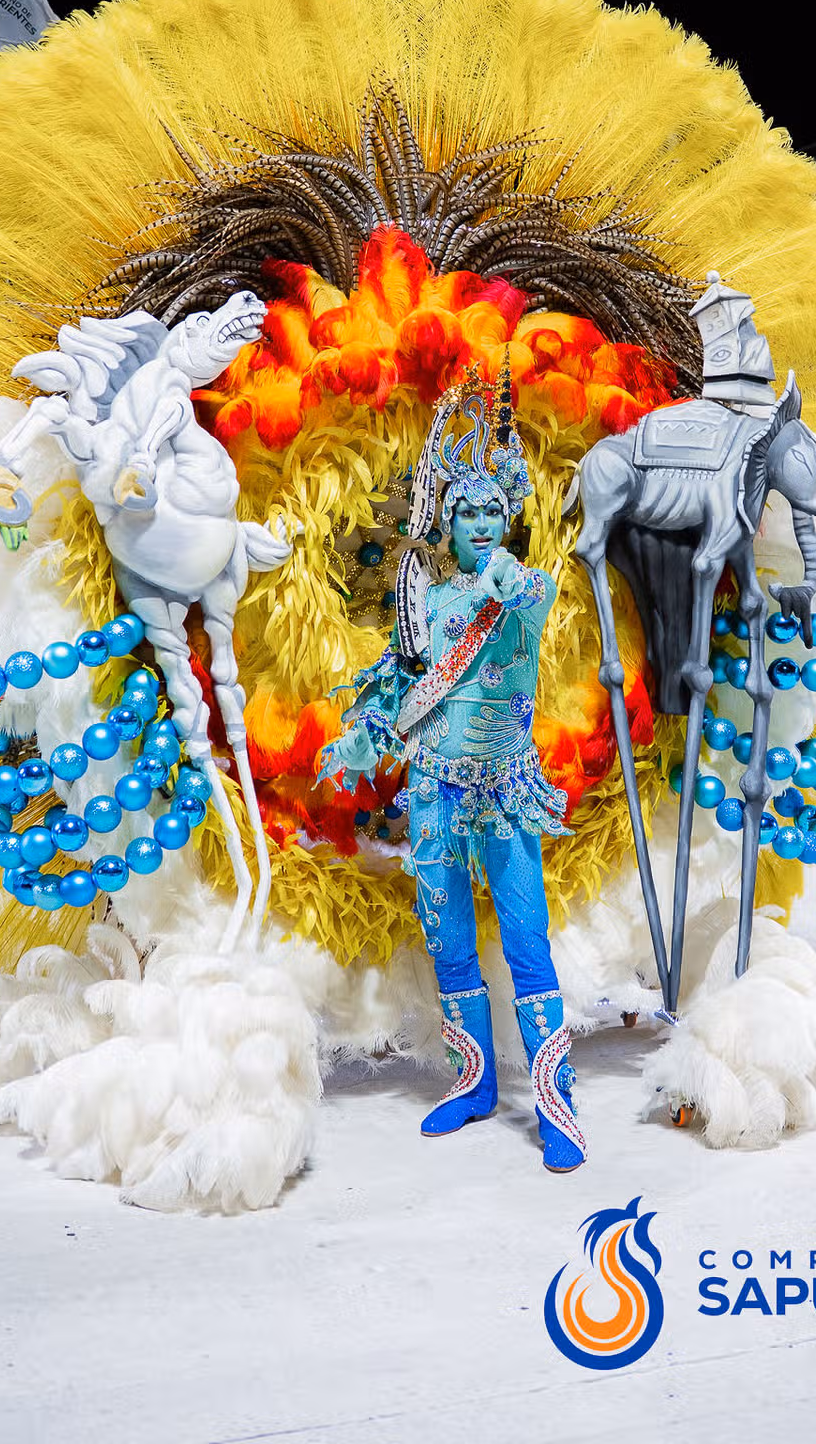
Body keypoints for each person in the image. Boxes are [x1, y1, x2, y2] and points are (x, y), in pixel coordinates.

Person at [318, 368, 584, 1173]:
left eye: (492, 511)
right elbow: (398, 684)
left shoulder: (528, 589)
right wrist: (363, 737)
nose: (480, 523)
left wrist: (506, 575)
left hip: (505, 792)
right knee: (448, 939)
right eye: (466, 512)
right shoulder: (426, 605)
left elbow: (526, 595)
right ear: (447, 522)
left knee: (527, 938)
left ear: (507, 518)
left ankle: (555, 1101)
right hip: (433, 788)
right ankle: (472, 1084)